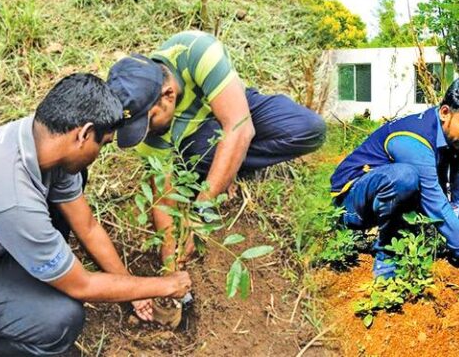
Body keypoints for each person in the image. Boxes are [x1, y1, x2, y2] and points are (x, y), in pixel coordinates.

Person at [0, 73, 192, 356]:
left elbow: (86, 226)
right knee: (60, 320)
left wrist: (131, 289)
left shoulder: (44, 141)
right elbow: (82, 285)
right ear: (85, 134)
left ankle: (28, 276)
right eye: (102, 144)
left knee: (62, 218)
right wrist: (163, 284)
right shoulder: (11, 193)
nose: (100, 153)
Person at [106, 30, 326, 264]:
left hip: (234, 108)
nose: (145, 131)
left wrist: (201, 211)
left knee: (308, 128)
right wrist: (170, 260)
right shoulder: (147, 129)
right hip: (196, 145)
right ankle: (228, 160)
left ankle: (230, 159)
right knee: (213, 146)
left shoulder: (195, 51)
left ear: (168, 94)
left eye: (148, 121)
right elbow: (163, 198)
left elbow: (239, 125)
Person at [330, 77, 459, 292]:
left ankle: (414, 231)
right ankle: (387, 256)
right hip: (353, 205)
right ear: (445, 112)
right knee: (405, 177)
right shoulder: (412, 139)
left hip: (391, 194)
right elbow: (436, 204)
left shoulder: (458, 140)